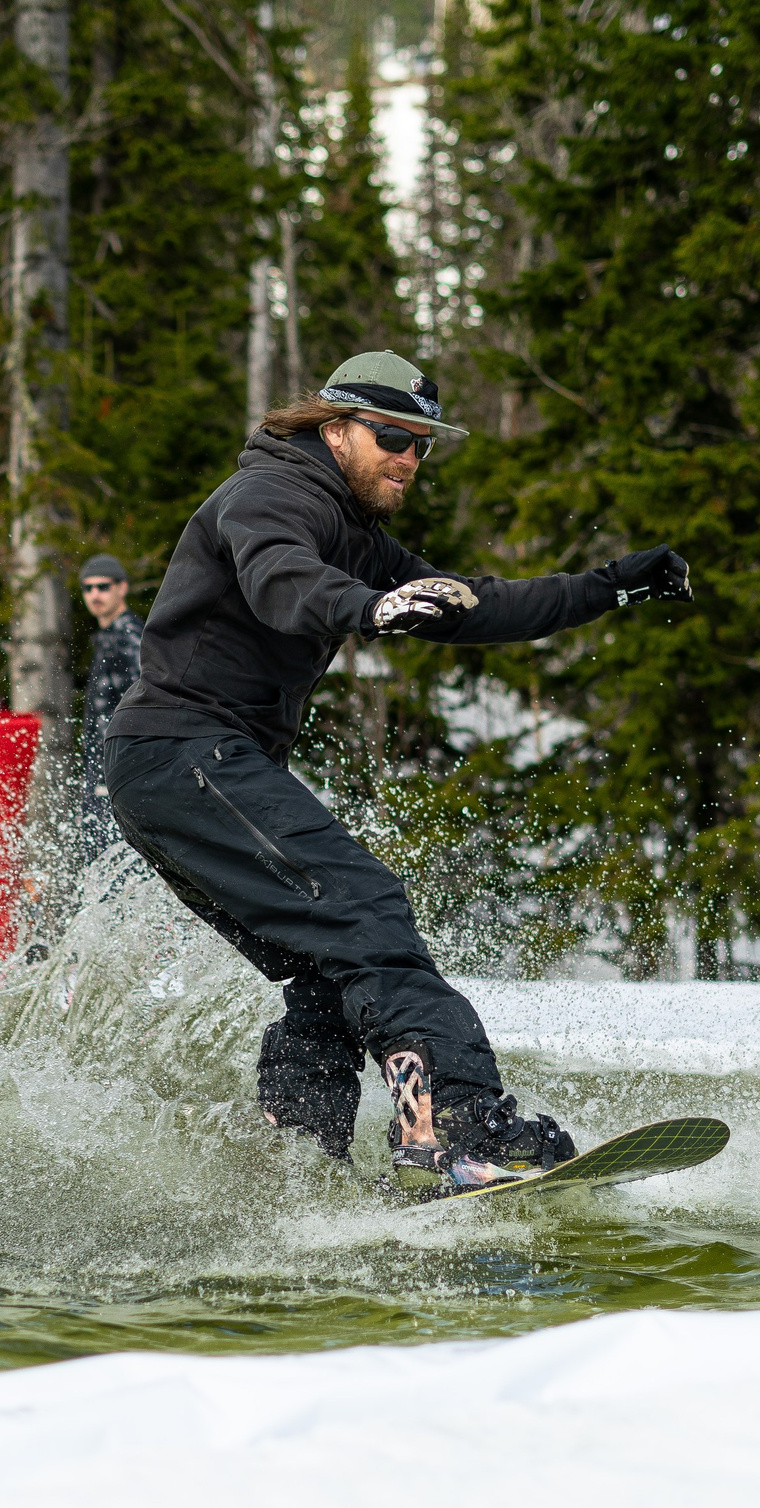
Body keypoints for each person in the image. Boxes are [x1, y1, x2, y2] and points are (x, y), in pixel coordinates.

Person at [100, 351, 694, 1193]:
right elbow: (282, 580)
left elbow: (472, 602)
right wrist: (365, 606)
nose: (409, 459)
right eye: (391, 437)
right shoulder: (270, 495)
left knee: (327, 965)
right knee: (364, 908)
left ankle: (296, 1163)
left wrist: (610, 587)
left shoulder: (356, 532)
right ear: (335, 429)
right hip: (184, 752)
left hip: (178, 771)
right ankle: (455, 1128)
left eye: (422, 445)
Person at [76, 554, 144, 863]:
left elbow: (146, 702)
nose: (95, 595)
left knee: (117, 861)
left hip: (121, 772)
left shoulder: (129, 636)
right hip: (106, 770)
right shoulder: (108, 637)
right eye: (88, 588)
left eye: (103, 586)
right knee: (100, 858)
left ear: (122, 588)